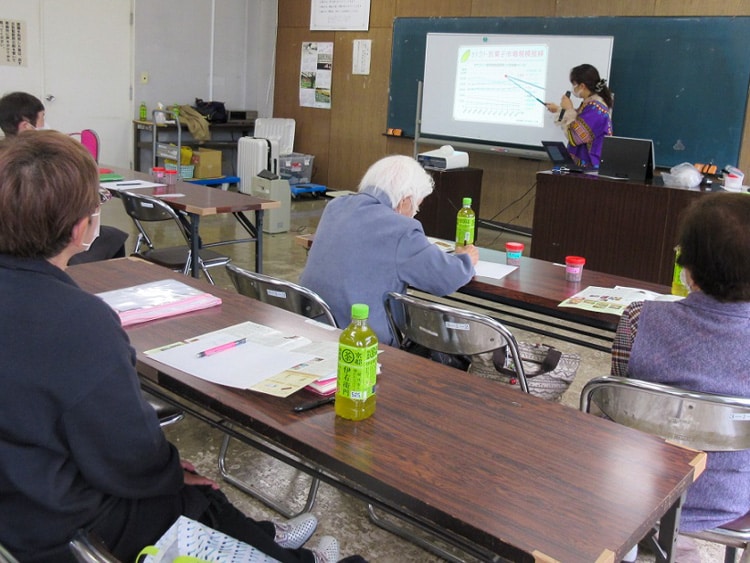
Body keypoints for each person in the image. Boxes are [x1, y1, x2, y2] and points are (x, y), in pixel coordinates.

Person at [0, 131, 343, 563]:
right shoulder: (77, 323)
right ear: (78, 228)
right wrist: (167, 470)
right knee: (188, 492)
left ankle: (265, 536)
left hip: (20, 502)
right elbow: (128, 458)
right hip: (65, 523)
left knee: (186, 488)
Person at [611, 192, 750, 563]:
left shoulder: (638, 319)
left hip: (632, 490)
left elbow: (619, 406)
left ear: (685, 265)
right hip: (728, 500)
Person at [299, 155, 478, 344]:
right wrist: (466, 259)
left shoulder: (335, 206)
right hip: (361, 341)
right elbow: (445, 277)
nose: (415, 212)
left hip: (312, 325)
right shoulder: (401, 228)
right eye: (417, 205)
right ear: (405, 200)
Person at [0, 91, 128, 265]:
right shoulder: (48, 163)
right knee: (113, 237)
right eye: (43, 118)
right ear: (26, 126)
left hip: (11, 242)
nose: (46, 124)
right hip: (43, 242)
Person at [545, 64, 613, 169]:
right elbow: (577, 117)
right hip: (582, 166)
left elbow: (574, 137)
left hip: (590, 167)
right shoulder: (589, 104)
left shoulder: (595, 109)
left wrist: (568, 109)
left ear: (582, 86)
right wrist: (559, 109)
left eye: (574, 84)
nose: (573, 88)